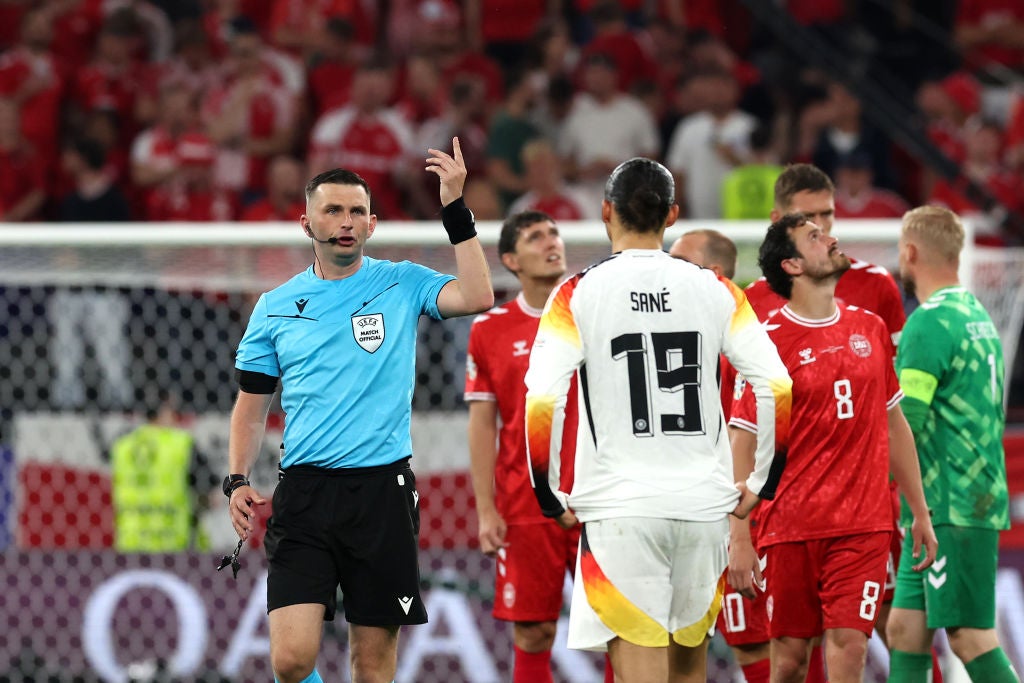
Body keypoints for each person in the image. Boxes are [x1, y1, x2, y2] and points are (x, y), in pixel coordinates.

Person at [224, 137, 494, 683]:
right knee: (292, 660)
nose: (346, 221)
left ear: (372, 224)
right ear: (307, 224)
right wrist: (235, 479)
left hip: (382, 493)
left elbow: (478, 296)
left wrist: (454, 207)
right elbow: (251, 409)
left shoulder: (401, 280)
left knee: (372, 667)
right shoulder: (274, 307)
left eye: (357, 211)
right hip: (304, 492)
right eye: (333, 210)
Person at [524, 157, 793, 682]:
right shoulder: (716, 289)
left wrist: (547, 492)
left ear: (606, 211)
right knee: (687, 672)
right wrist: (763, 480)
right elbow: (777, 385)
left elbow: (542, 400)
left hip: (622, 510)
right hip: (702, 510)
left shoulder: (578, 292)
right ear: (672, 215)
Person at [728, 213, 937, 683]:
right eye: (815, 237)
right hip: (787, 526)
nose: (832, 238)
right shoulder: (764, 343)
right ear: (793, 266)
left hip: (863, 526)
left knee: (850, 645)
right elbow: (740, 440)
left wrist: (918, 511)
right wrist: (738, 537)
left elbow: (895, 423)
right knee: (789, 661)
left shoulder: (870, 328)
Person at [886, 206, 1018, 683]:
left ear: (910, 252)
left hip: (949, 504)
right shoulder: (976, 315)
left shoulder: (927, 323)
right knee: (905, 630)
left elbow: (908, 419)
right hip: (955, 499)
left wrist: (869, 479)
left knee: (969, 636)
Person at [465, 210, 590, 683]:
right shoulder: (489, 329)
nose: (550, 242)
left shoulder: (593, 313)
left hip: (598, 494)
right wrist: (485, 509)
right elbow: (482, 425)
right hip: (524, 501)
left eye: (554, 233)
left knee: (620, 628)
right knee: (534, 633)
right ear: (512, 260)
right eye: (536, 237)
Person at [111, 391, 217, 552]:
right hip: (172, 542)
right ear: (166, 410)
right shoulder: (181, 444)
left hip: (130, 542)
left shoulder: (123, 446)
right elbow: (209, 494)